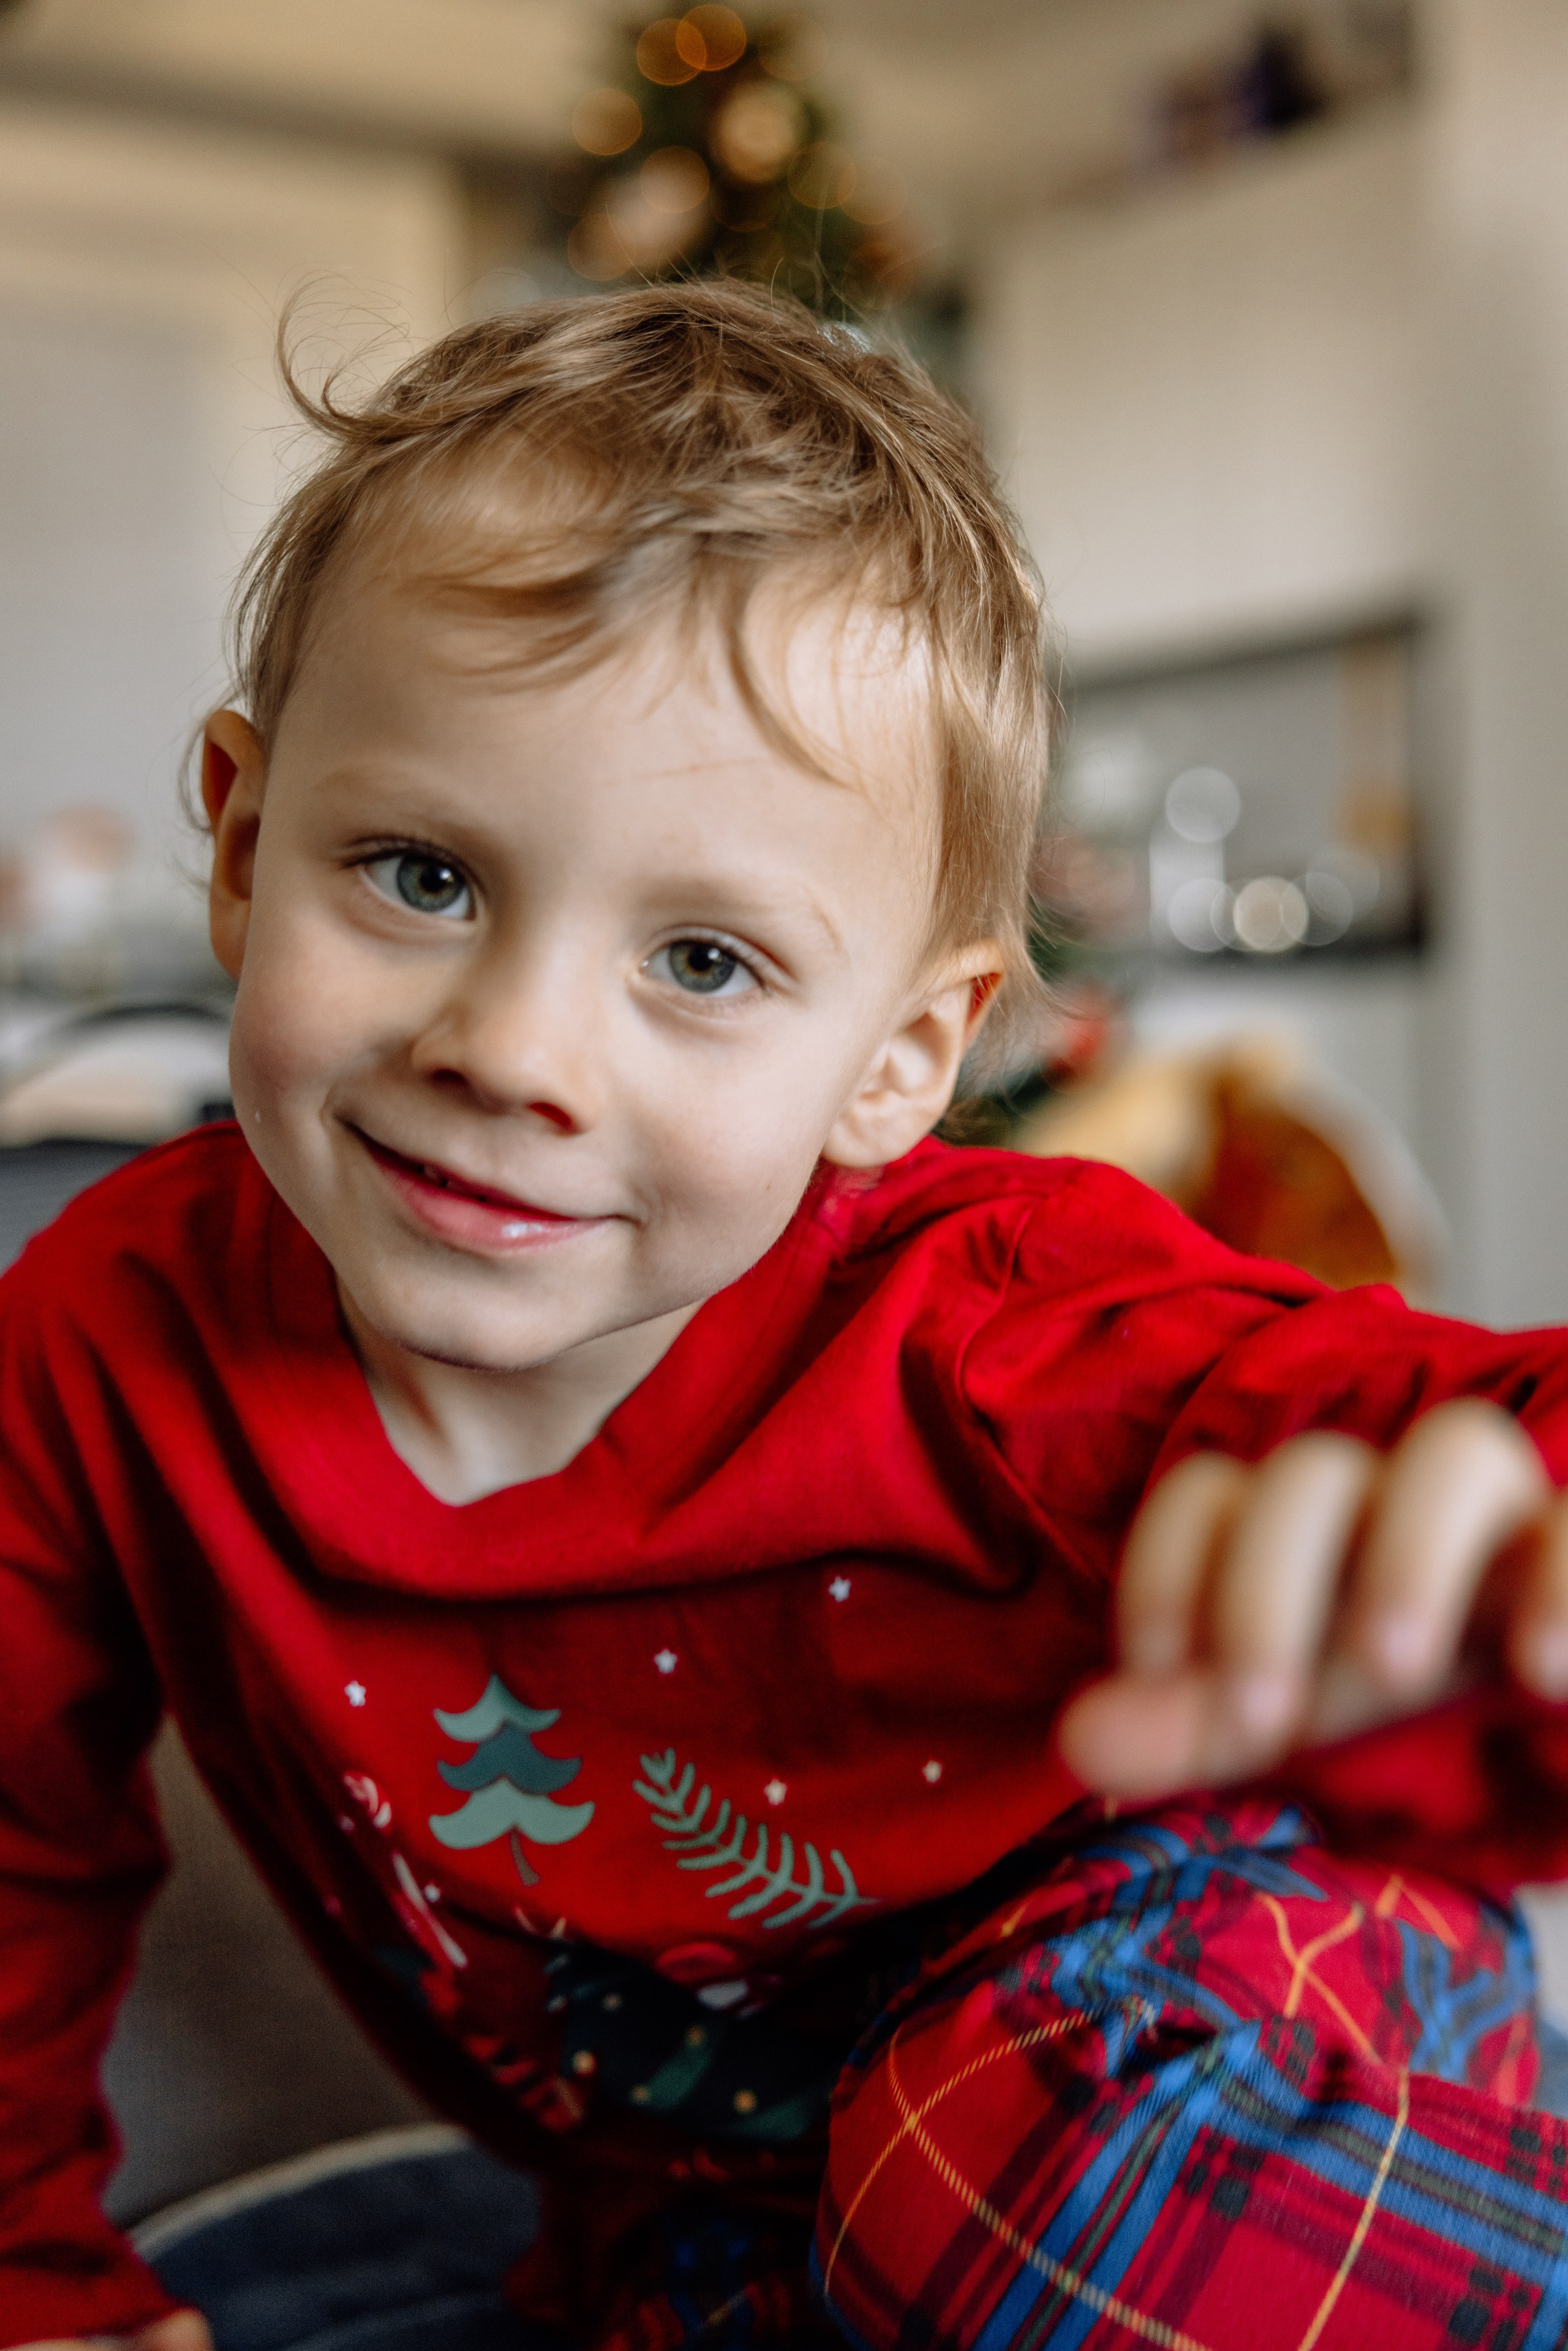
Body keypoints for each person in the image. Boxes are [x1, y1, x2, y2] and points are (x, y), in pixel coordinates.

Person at [10, 282, 1568, 2351]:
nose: (515, 1050)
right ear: (238, 838)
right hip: (742, 2184)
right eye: (420, 876)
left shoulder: (996, 1327)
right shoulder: (103, 1338)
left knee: (984, 2178)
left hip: (1269, 2009)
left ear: (903, 1059)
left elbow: (1471, 1413)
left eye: (707, 964)